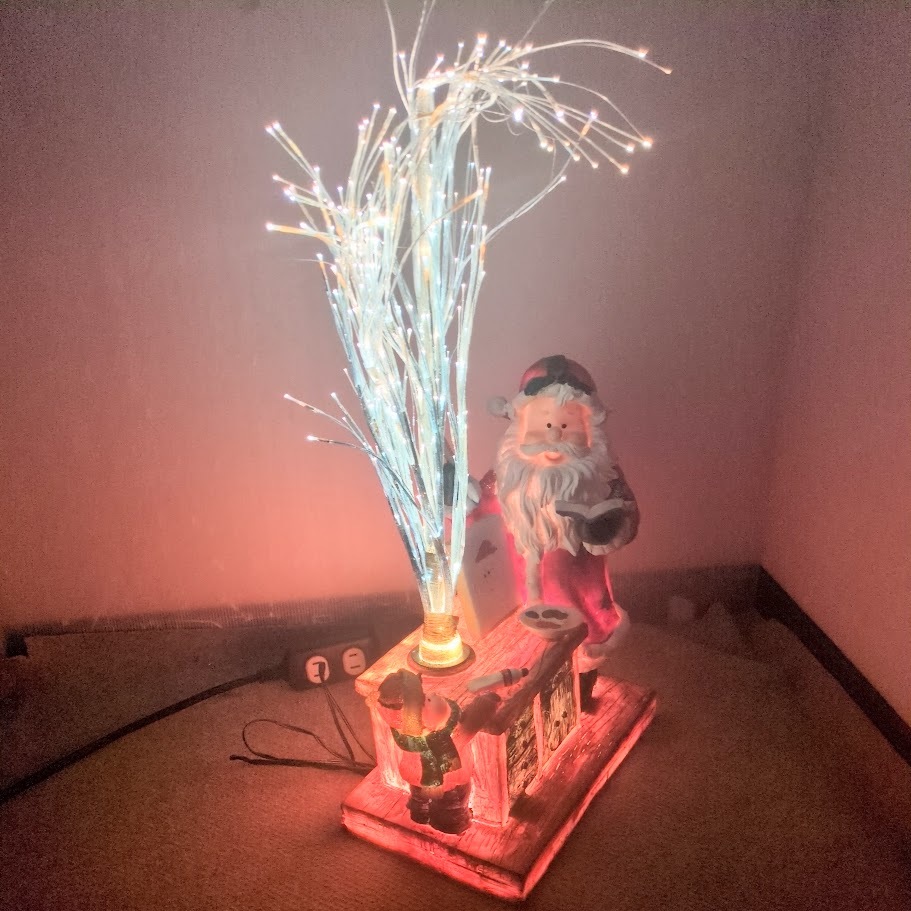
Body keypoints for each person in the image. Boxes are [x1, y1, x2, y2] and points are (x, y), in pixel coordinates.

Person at [473, 355, 639, 692]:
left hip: (579, 592)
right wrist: (462, 503)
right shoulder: (505, 479)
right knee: (525, 663)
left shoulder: (601, 478)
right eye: (543, 423)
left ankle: (583, 689)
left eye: (567, 425)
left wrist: (606, 529)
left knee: (583, 652)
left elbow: (627, 517)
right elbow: (477, 519)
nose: (554, 436)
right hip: (517, 595)